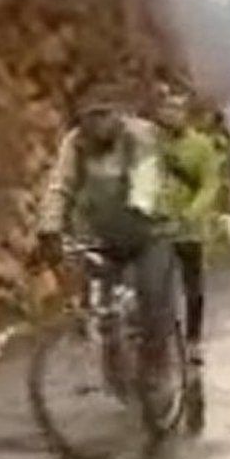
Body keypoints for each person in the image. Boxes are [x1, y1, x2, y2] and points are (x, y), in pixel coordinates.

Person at [37, 91, 182, 383]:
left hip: (150, 233)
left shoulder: (140, 136)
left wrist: (141, 206)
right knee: (107, 312)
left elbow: (147, 176)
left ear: (119, 113)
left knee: (151, 296)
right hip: (104, 236)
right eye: (90, 117)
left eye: (105, 114)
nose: (98, 124)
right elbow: (60, 186)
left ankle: (156, 366)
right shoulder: (76, 143)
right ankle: (116, 370)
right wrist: (50, 228)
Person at [155, 94, 222, 366]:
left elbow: (209, 184)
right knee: (154, 286)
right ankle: (158, 339)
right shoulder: (151, 145)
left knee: (192, 287)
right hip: (157, 227)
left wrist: (192, 212)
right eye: (166, 110)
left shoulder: (201, 146)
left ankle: (194, 341)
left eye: (176, 110)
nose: (171, 115)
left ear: (186, 115)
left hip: (188, 229)